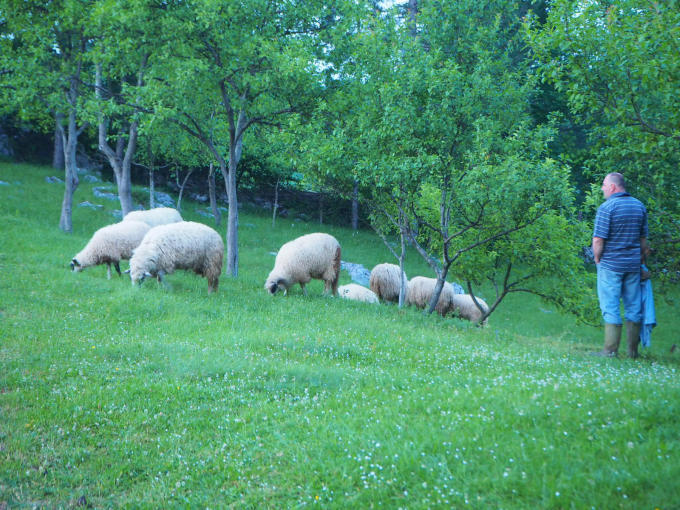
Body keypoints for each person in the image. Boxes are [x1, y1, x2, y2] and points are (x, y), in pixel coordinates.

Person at [592, 172, 648, 358]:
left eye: (604, 185)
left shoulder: (607, 208)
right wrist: (640, 261)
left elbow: (599, 239)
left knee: (610, 306)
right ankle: (632, 352)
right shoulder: (639, 206)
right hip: (632, 266)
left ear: (613, 187)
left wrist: (597, 258)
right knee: (634, 307)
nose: (602, 188)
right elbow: (643, 241)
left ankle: (610, 351)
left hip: (611, 265)